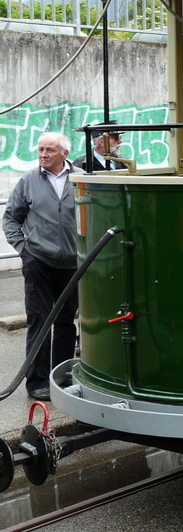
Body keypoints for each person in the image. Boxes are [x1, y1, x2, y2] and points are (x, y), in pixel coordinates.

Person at [2, 132, 79, 402]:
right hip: (39, 261)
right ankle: (36, 382)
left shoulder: (80, 179)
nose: (43, 154)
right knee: (39, 321)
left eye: (49, 150)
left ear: (64, 155)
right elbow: (11, 218)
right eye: (41, 149)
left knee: (66, 322)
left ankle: (62, 376)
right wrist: (24, 250)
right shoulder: (29, 181)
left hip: (73, 264)